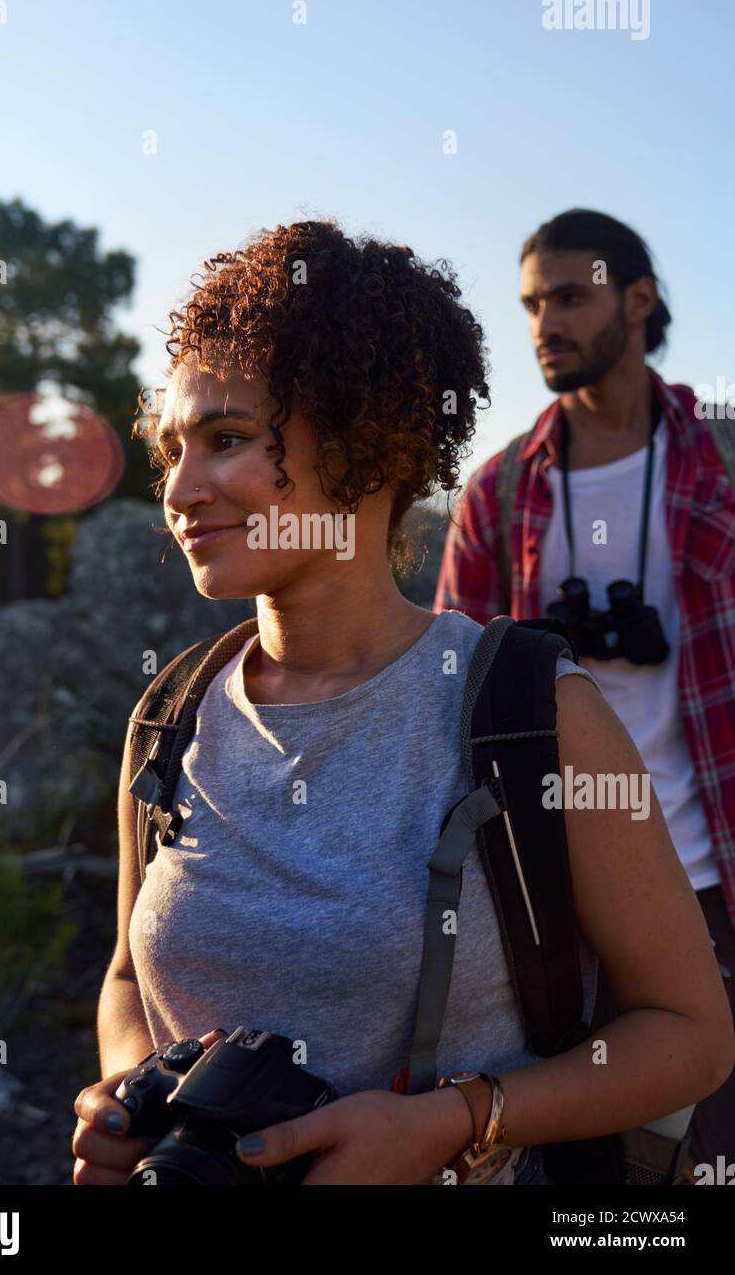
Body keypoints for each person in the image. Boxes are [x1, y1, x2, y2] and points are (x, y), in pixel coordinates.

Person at [72, 219, 732, 1186]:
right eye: (172, 446)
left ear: (365, 445)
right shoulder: (171, 715)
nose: (177, 487)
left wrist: (465, 1120)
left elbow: (688, 1034)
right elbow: (128, 978)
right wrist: (126, 1097)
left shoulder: (535, 715)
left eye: (226, 440)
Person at [435, 208, 735, 1176]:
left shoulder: (724, 464)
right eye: (531, 304)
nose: (544, 324)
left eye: (570, 296)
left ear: (638, 301)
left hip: (714, 873)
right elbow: (450, 697)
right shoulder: (498, 494)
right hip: (557, 897)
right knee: (598, 1175)